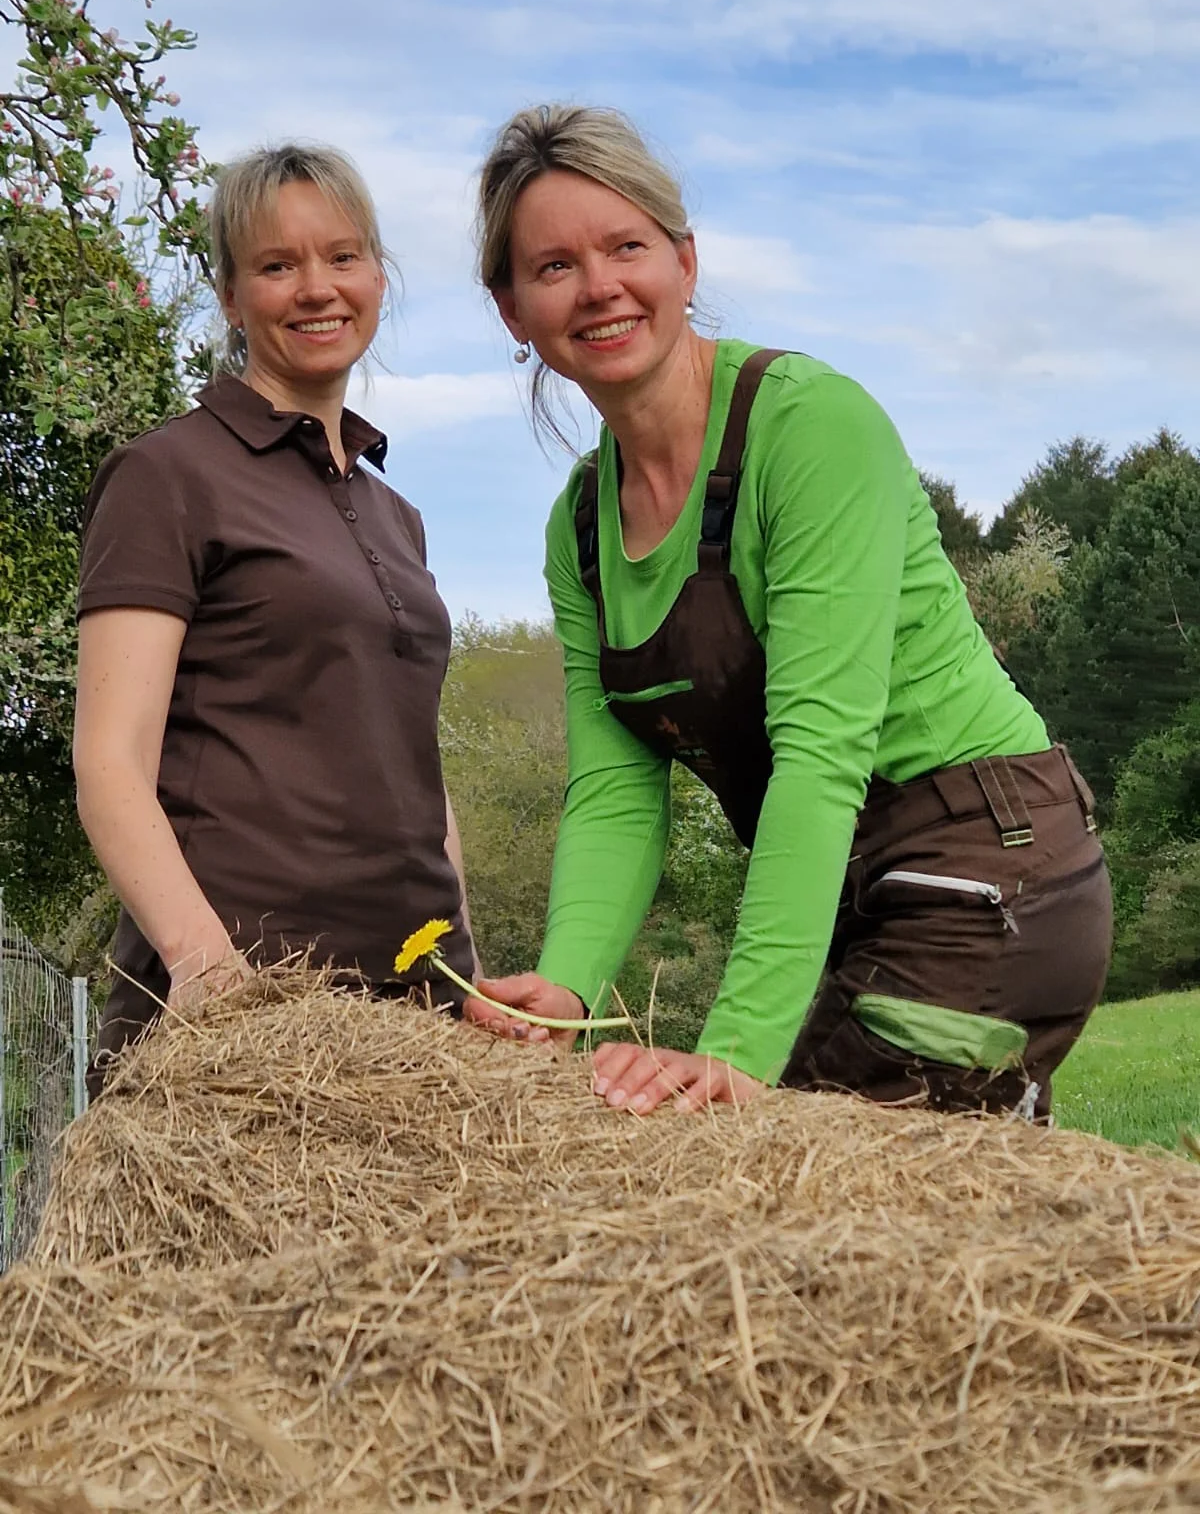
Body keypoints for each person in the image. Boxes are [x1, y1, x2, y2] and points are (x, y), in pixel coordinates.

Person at [464, 103, 1111, 1120]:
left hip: (987, 863)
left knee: (772, 1159)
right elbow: (615, 790)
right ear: (513, 311)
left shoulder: (810, 427)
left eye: (627, 247)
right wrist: (570, 984)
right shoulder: (579, 528)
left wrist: (736, 1053)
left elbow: (820, 751)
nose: (598, 287)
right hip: (859, 887)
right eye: (554, 266)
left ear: (684, 262)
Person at [74, 144, 477, 1094]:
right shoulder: (166, 476)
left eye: (342, 257)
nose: (316, 288)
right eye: (276, 265)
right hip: (242, 1006)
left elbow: (415, 768)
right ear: (229, 295)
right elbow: (109, 761)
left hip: (416, 1008)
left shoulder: (397, 517)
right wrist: (209, 974)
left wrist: (466, 963)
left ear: (378, 277)